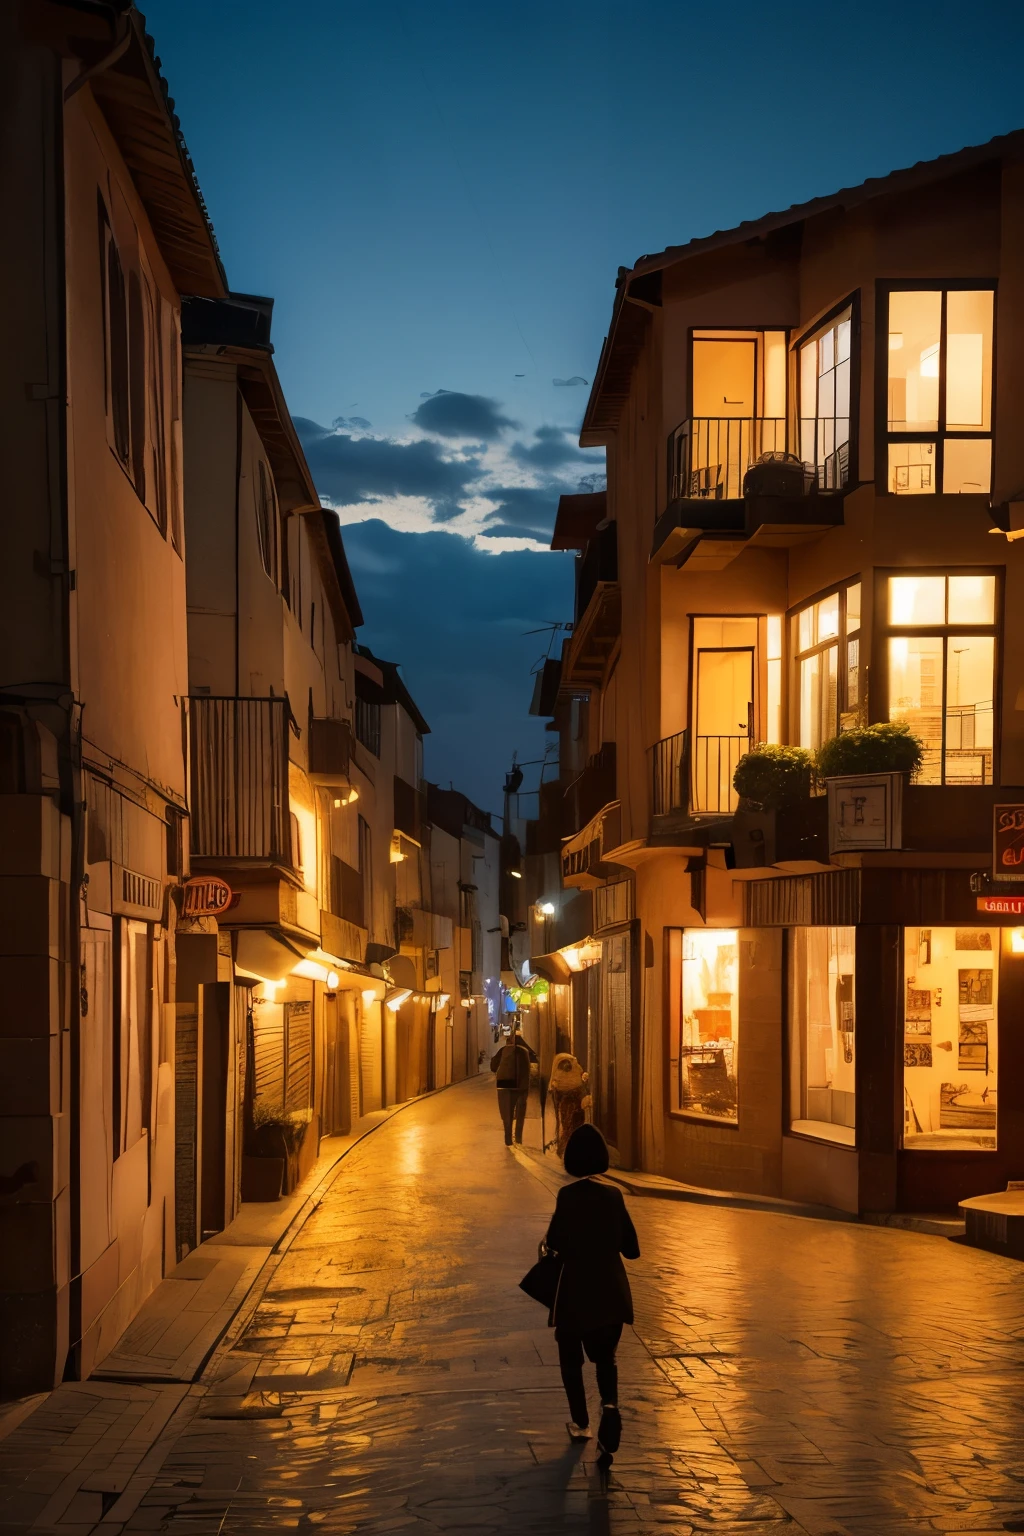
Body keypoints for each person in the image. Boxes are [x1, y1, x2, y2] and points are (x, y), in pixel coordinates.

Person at [543, 1123, 639, 1461]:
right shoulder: (614, 1196)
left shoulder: (567, 1197)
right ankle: (609, 1406)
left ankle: (582, 1423)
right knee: (605, 1359)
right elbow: (632, 1249)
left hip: (574, 1293)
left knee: (571, 1357)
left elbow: (554, 1243)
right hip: (611, 1292)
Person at [490, 1023, 537, 1146]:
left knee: (507, 1111)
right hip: (522, 1084)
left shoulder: (503, 1050)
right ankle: (519, 1138)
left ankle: (508, 1138)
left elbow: (493, 1066)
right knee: (520, 1111)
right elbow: (534, 1064)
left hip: (504, 1083)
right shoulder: (526, 1051)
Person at [548, 1052, 590, 1155]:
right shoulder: (572, 1067)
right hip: (573, 1102)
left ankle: (565, 1150)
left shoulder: (561, 1071)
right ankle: (566, 1150)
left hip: (571, 1102)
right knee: (570, 1127)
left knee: (569, 1127)